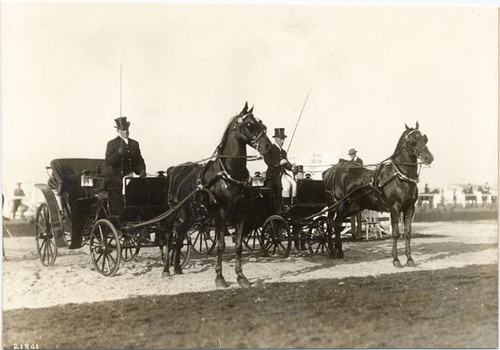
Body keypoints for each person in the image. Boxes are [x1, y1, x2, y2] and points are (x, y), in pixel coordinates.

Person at [105, 117, 146, 217]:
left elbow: (140, 160)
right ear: (118, 130)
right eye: (123, 130)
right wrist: (118, 154)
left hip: (132, 177)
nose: (126, 132)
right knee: (119, 202)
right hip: (117, 179)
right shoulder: (112, 144)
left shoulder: (134, 144)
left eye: (127, 129)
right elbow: (108, 161)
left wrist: (142, 170)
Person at [264, 128, 296, 211]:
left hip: (283, 173)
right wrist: (279, 163)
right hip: (274, 174)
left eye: (283, 139)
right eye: (281, 139)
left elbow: (286, 163)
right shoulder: (270, 149)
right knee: (287, 185)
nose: (283, 141)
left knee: (294, 183)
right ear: (276, 139)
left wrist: (291, 167)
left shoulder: (283, 151)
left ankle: (293, 204)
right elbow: (268, 161)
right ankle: (285, 205)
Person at [347, 148, 363, 239]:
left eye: (352, 154)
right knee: (352, 216)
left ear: (355, 154)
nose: (351, 156)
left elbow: (360, 171)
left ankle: (359, 234)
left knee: (359, 216)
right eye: (350, 155)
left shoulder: (360, 161)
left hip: (358, 183)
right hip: (353, 186)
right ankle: (353, 234)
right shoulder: (350, 162)